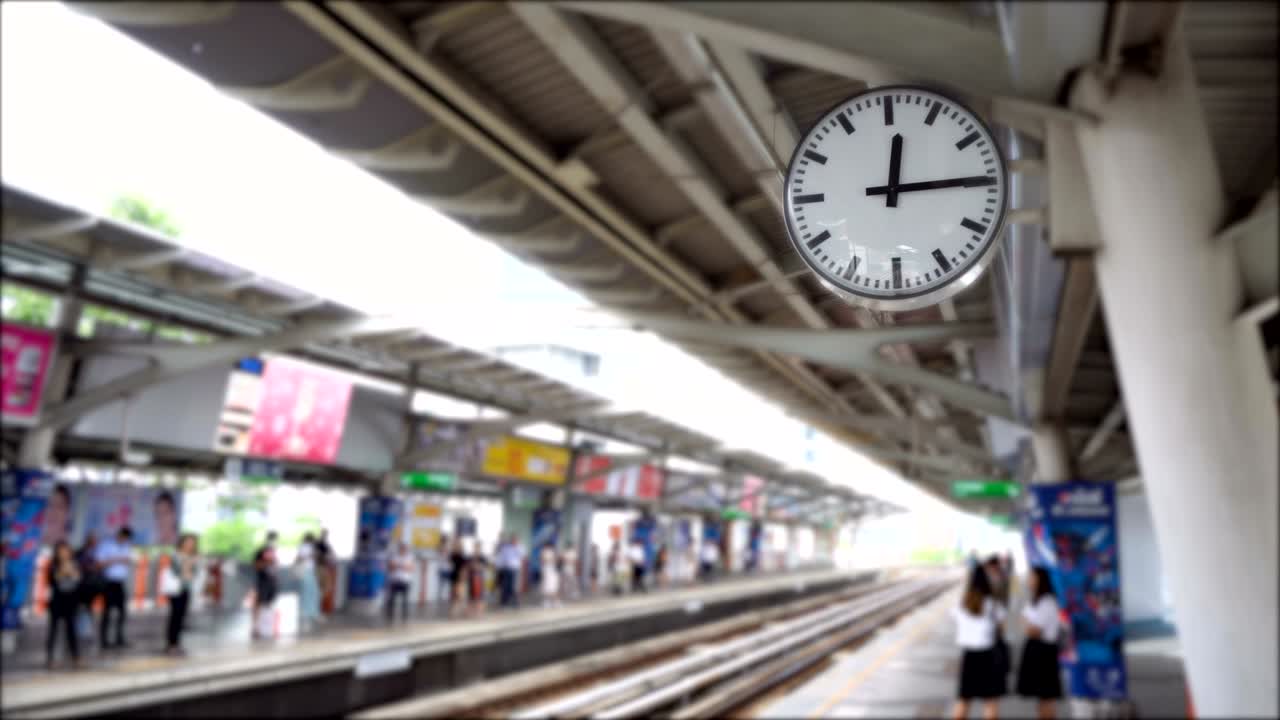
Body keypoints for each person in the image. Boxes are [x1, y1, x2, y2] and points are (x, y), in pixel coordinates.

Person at [951, 565, 1007, 719]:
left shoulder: (962, 604)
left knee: (963, 701)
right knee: (990, 703)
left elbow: (956, 618)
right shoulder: (993, 604)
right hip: (988, 657)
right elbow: (1001, 628)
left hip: (968, 657)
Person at [1016, 567, 1063, 718]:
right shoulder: (1036, 601)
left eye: (1032, 576)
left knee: (1046, 698)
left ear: (1040, 580)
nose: (1028, 580)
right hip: (1039, 651)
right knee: (1042, 699)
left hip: (1044, 653)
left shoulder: (1047, 602)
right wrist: (1026, 622)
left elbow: (1034, 631)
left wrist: (1025, 622)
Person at [94, 526, 134, 650]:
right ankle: (104, 640)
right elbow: (98, 564)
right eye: (123, 537)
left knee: (122, 612)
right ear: (119, 535)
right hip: (108, 582)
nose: (124, 540)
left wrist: (125, 560)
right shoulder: (106, 545)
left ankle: (119, 637)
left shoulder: (127, 546)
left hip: (120, 582)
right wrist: (114, 560)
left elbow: (129, 560)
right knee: (107, 611)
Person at [45, 540, 81, 669]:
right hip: (57, 601)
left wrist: (70, 571)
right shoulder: (53, 565)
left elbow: (77, 578)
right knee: (53, 630)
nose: (64, 554)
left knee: (71, 630)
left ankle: (75, 657)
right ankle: (50, 658)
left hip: (70, 601)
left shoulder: (75, 563)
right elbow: (54, 580)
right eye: (61, 551)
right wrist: (63, 571)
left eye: (66, 551)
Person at [163, 533, 199, 655]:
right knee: (175, 616)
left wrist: (190, 566)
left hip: (186, 589)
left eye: (192, 543)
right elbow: (178, 571)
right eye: (188, 542)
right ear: (182, 543)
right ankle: (171, 644)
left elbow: (194, 573)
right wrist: (188, 565)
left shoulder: (193, 556)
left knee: (181, 617)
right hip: (175, 590)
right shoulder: (176, 555)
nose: (190, 545)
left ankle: (177, 643)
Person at [251, 531, 279, 640]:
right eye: (272, 539)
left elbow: (275, 566)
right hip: (262, 581)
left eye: (275, 539)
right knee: (258, 604)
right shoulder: (261, 551)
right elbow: (256, 565)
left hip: (272, 581)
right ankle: (255, 628)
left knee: (269, 604)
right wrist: (267, 563)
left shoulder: (274, 551)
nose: (273, 542)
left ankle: (266, 628)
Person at [296, 532, 322, 631]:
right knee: (307, 593)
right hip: (305, 571)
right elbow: (300, 558)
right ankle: (305, 616)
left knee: (314, 592)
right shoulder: (304, 547)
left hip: (310, 571)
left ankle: (313, 613)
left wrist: (313, 555)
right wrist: (310, 555)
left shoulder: (309, 547)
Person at [386, 541, 414, 623]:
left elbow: (410, 568)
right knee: (392, 599)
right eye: (401, 548)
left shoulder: (409, 557)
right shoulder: (394, 556)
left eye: (404, 549)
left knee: (405, 600)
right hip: (395, 580)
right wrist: (402, 566)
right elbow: (391, 567)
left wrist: (399, 566)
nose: (403, 550)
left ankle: (404, 616)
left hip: (405, 581)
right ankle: (390, 615)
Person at [496, 535, 523, 608]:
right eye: (513, 540)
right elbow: (502, 557)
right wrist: (499, 566)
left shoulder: (519, 547)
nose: (514, 541)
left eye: (515, 540)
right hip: (506, 569)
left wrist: (516, 547)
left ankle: (515, 602)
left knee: (514, 586)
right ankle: (504, 602)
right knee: (505, 586)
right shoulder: (506, 548)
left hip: (515, 569)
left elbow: (522, 555)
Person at [448, 537, 468, 617]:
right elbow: (450, 563)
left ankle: (460, 611)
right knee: (455, 595)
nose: (457, 545)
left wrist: (463, 576)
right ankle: (456, 611)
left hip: (460, 576)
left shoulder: (462, 555)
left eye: (458, 544)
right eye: (455, 544)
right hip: (454, 575)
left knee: (460, 595)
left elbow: (464, 567)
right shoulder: (452, 555)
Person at [539, 544, 560, 608]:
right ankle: (546, 601)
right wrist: (549, 559)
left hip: (552, 570)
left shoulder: (552, 552)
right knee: (546, 586)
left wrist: (553, 559)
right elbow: (543, 560)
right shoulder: (544, 552)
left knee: (553, 586)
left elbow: (556, 560)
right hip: (546, 570)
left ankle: (555, 601)